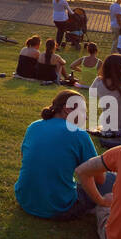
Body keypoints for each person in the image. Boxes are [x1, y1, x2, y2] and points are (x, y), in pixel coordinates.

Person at [15, 89, 113, 220]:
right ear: (67, 109)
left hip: (25, 200)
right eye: (83, 111)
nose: (86, 117)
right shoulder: (79, 134)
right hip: (58, 207)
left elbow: (25, 158)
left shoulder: (34, 126)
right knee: (113, 179)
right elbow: (100, 179)